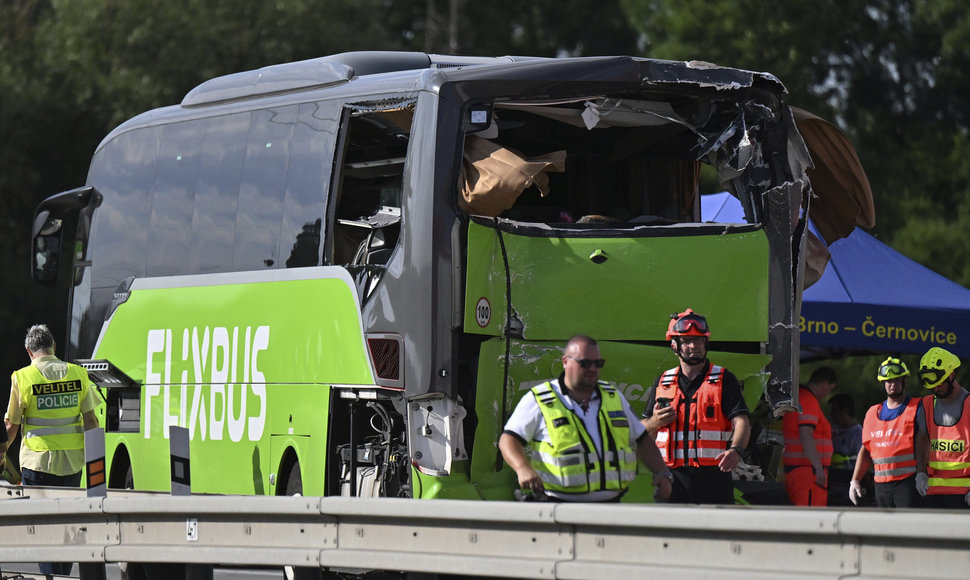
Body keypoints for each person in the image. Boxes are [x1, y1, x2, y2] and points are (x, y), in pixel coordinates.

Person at [499, 334, 673, 502]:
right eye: (585, 363)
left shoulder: (612, 396)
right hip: (557, 505)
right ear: (565, 362)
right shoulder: (540, 399)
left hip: (609, 505)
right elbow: (509, 440)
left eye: (598, 363)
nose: (592, 368)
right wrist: (522, 469)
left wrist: (661, 472)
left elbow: (641, 438)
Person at [5, 324, 100, 577]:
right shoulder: (79, 374)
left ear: (29, 351)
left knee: (41, 530)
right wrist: (96, 462)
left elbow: (11, 425)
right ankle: (63, 577)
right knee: (68, 527)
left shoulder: (23, 377)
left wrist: (1, 455)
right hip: (73, 464)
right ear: (54, 347)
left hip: (38, 466)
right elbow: (91, 421)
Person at [640, 309, 750, 504]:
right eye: (687, 341)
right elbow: (642, 432)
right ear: (674, 345)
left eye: (699, 340)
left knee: (716, 533)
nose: (694, 346)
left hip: (713, 479)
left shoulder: (724, 379)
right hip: (671, 478)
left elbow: (741, 421)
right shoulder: (663, 381)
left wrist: (736, 450)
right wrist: (655, 421)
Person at [849, 357, 922, 508]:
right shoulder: (872, 412)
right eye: (888, 381)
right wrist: (855, 480)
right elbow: (866, 450)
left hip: (908, 483)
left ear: (904, 381)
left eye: (896, 380)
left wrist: (922, 474)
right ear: (883, 383)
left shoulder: (917, 408)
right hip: (881, 485)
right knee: (885, 529)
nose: (892, 384)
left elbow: (925, 442)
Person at [914, 347, 970, 508]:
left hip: (964, 493)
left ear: (951, 375)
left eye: (939, 383)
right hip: (933, 491)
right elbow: (922, 438)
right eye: (932, 386)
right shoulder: (927, 404)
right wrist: (921, 473)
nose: (936, 389)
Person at [783, 366, 837, 506]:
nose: (827, 393)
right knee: (811, 519)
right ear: (824, 384)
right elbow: (805, 434)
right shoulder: (809, 400)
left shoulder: (799, 397)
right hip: (808, 471)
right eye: (830, 389)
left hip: (799, 470)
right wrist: (818, 467)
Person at [828, 393, 862, 506]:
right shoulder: (833, 431)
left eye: (834, 412)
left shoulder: (859, 434)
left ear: (845, 412)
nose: (832, 416)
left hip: (847, 488)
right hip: (831, 484)